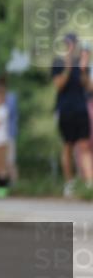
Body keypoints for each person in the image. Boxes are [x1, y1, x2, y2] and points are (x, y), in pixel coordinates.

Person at [51, 33, 93, 196]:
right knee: (68, 145)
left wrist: (83, 70)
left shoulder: (82, 64)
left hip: (81, 108)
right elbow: (59, 85)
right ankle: (69, 183)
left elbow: (89, 88)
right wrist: (68, 67)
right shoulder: (58, 62)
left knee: (84, 145)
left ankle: (89, 183)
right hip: (65, 109)